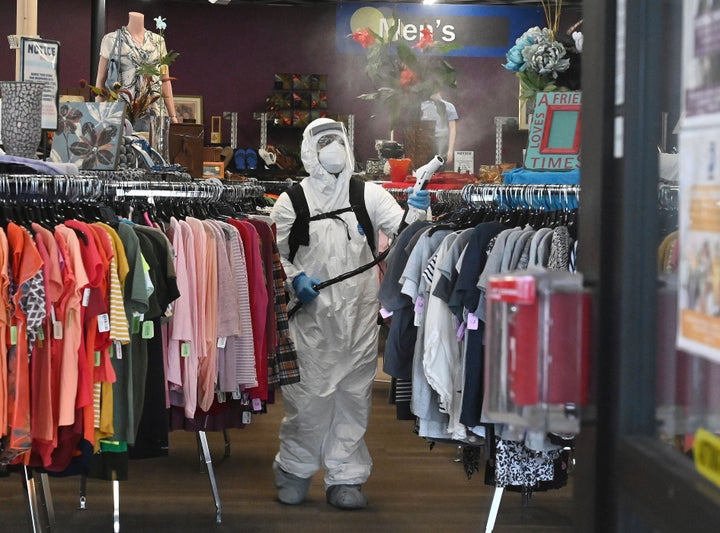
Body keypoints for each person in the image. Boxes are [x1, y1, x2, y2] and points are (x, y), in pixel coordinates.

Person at [269, 118, 431, 510]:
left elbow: (404, 235)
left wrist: (419, 213)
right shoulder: (293, 200)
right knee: (307, 400)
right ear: (311, 149)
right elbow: (273, 256)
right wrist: (296, 280)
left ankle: (346, 477)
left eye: (337, 140)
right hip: (310, 319)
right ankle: (294, 469)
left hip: (358, 317)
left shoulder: (369, 194)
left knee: (353, 399)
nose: (332, 149)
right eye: (324, 142)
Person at [95, 12, 179, 128]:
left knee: (152, 145)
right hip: (122, 113)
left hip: (153, 113)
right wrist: (98, 117)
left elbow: (165, 80)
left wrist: (172, 115)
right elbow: (100, 81)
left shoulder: (158, 41)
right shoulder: (111, 39)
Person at [421, 91, 458, 169]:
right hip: (424, 144)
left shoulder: (449, 106)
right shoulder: (422, 106)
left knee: (439, 174)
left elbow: (453, 128)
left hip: (441, 143)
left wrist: (451, 150)